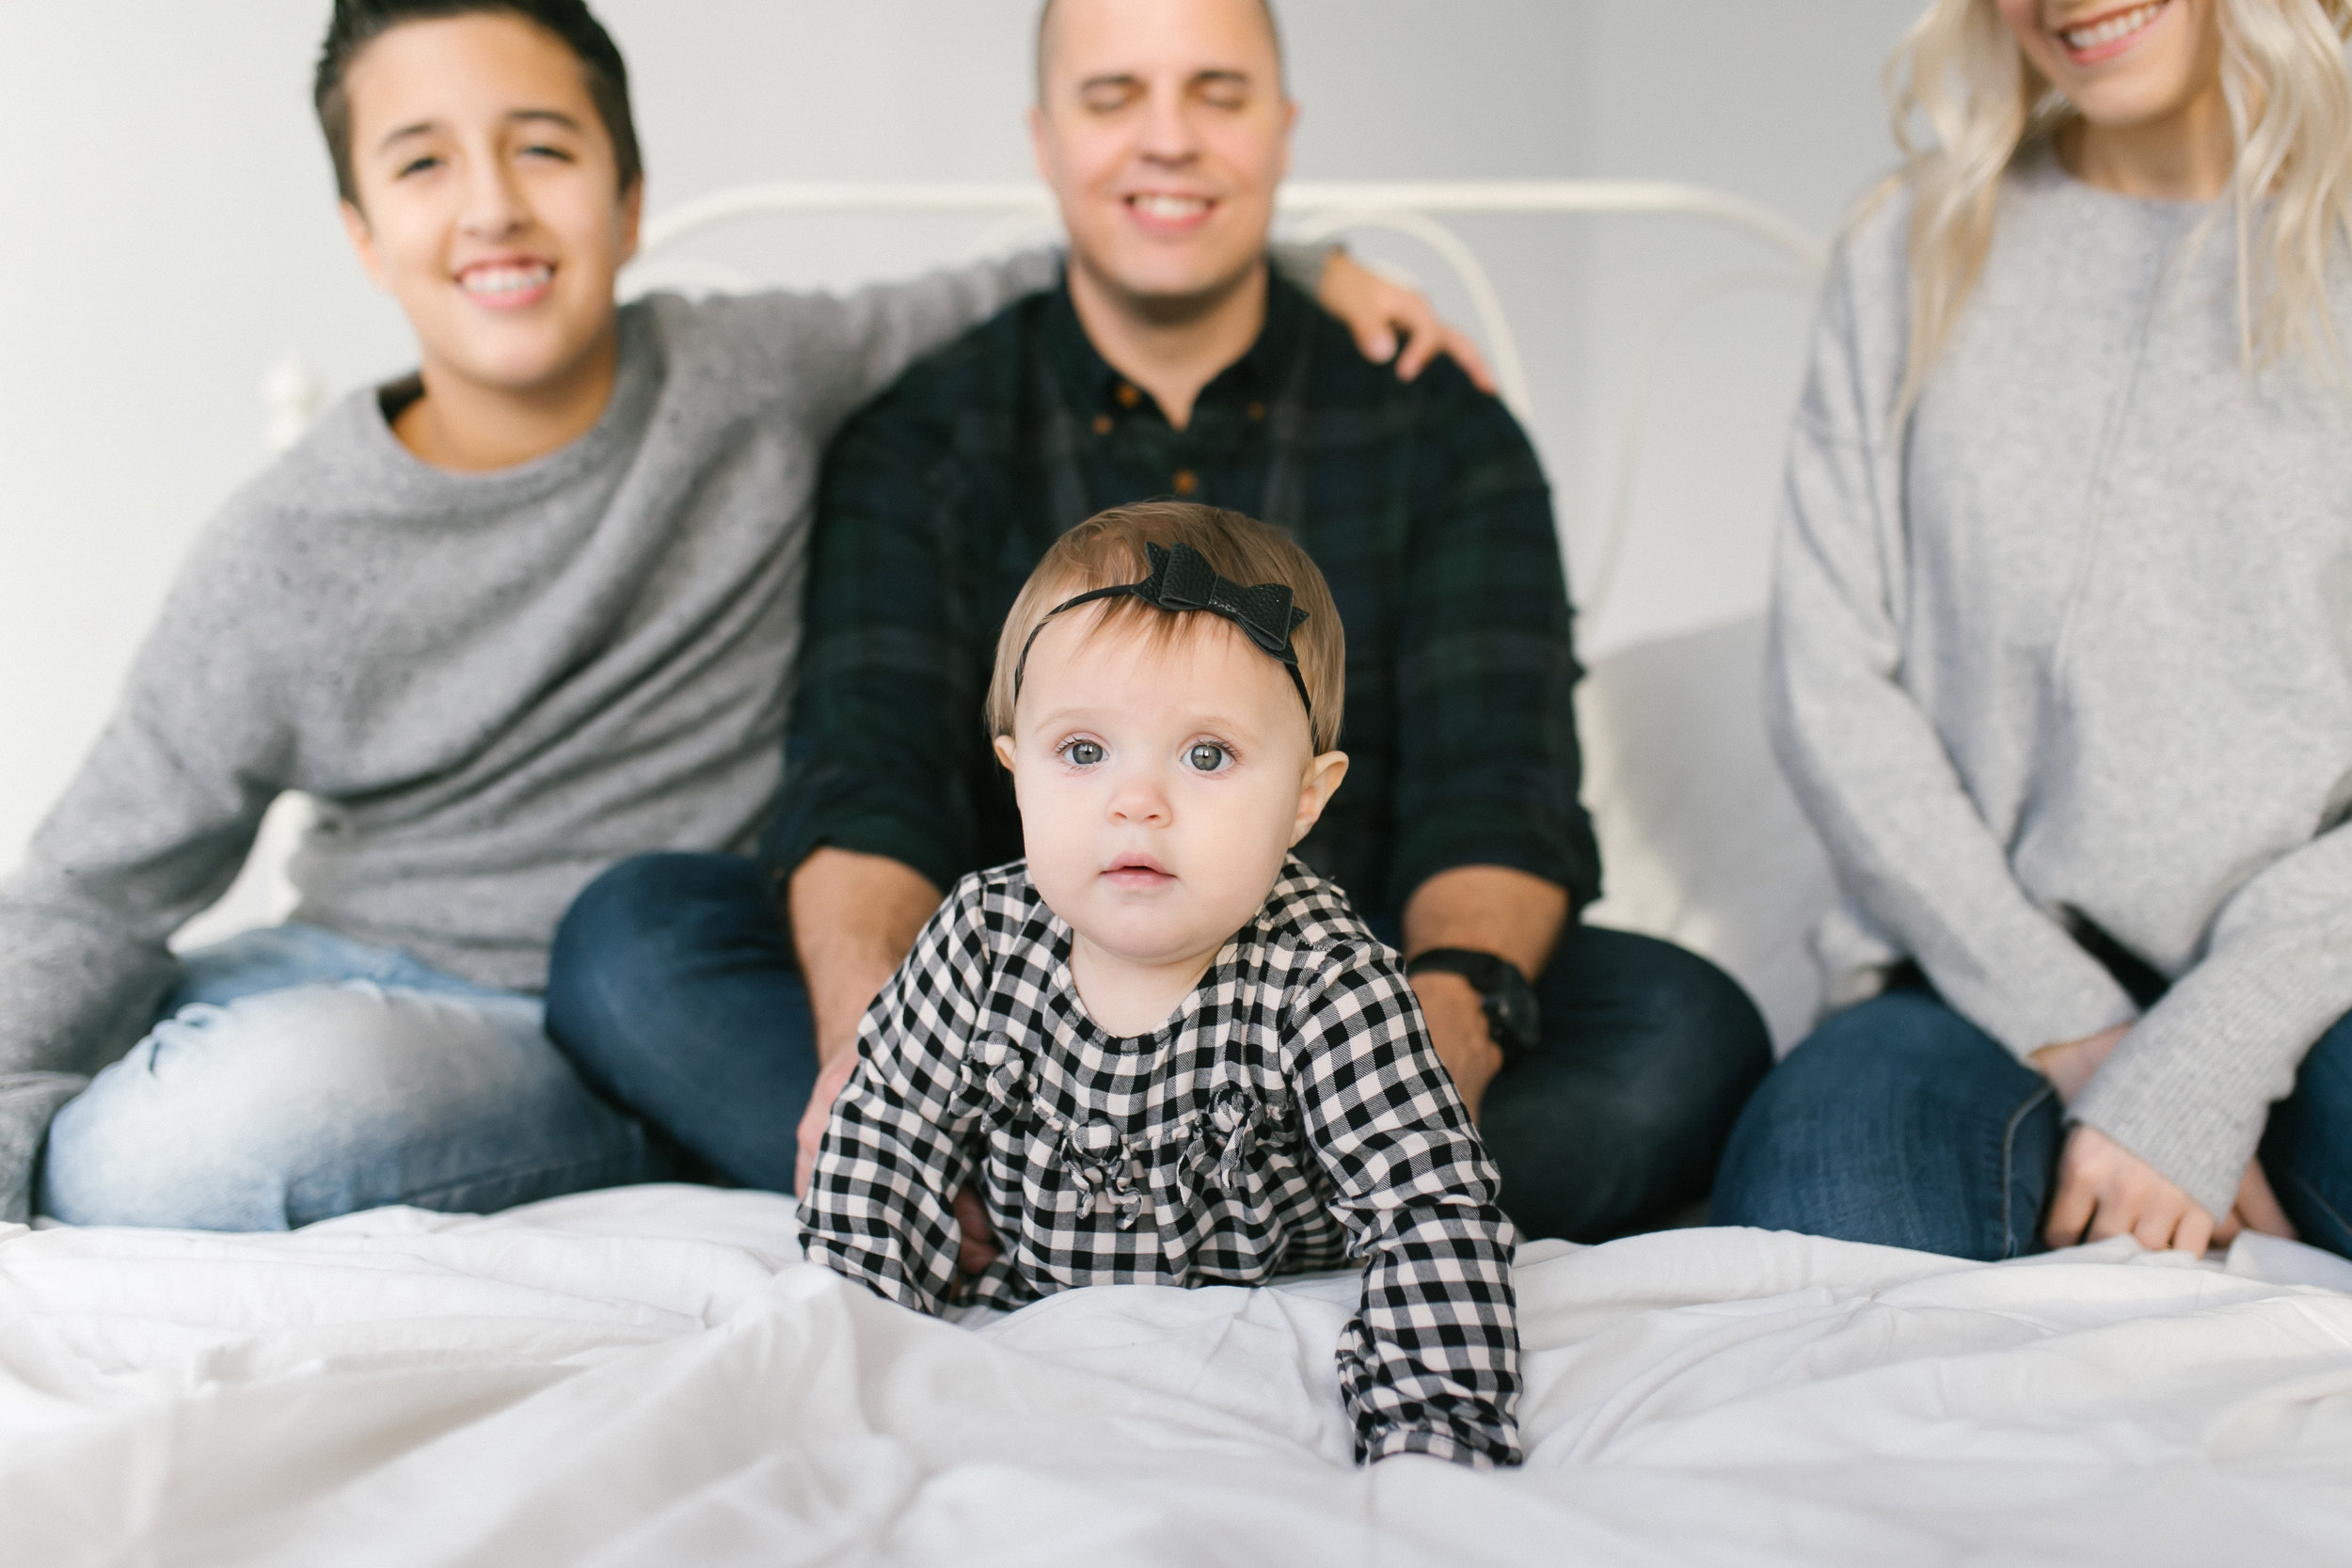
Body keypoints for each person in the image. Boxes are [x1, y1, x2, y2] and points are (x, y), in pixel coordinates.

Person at [0, 0, 1460, 1230]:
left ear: (631, 200)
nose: (495, 205)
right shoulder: (285, 545)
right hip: (330, 950)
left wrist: (1303, 262)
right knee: (102, 1039)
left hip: (578, 1010)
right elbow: (97, 880)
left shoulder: (748, 373)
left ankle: (664, 1131)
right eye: (424, 163)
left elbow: (1032, 275)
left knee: (177, 1145)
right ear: (366, 233)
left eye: (544, 149)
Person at [549, 0, 1772, 1243]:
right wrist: (880, 1063)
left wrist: (1439, 1040)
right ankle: (1063, 1192)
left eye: (1218, 95)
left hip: (1348, 1029)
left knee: (1686, 1024)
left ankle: (1072, 1224)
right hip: (1008, 1037)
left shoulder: (1441, 435)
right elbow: (871, 775)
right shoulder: (924, 433)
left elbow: (1500, 783)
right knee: (633, 941)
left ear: (1283, 133)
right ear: (1044, 139)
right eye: (1114, 96)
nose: (1169, 139)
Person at [1713, 0, 2352, 1260]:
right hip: (1965, 982)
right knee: (1819, 1243)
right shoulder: (1905, 242)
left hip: (2317, 969)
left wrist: (2204, 1059)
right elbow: (1829, 686)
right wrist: (2076, 1024)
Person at [800, 502, 1521, 1468]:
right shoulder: (979, 935)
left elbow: (1426, 1204)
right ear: (1015, 775)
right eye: (1084, 751)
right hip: (1028, 1310)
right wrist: (847, 1365)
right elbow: (882, 1140)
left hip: (1254, 1309)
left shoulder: (1323, 973)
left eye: (1207, 754)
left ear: (1306, 795)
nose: (1137, 800)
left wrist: (1431, 1434)